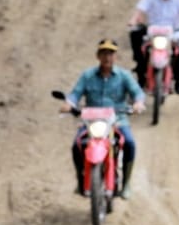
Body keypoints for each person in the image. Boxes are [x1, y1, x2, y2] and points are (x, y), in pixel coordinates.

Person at [60, 38, 146, 199]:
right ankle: (80, 180)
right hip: (92, 122)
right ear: (97, 56)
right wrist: (69, 104)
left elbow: (138, 93)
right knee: (76, 145)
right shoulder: (87, 76)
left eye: (111, 54)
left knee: (129, 143)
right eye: (104, 53)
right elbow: (75, 94)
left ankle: (126, 183)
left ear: (116, 57)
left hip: (117, 121)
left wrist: (138, 103)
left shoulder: (124, 76)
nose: (107, 57)